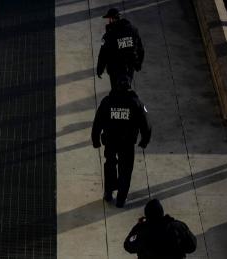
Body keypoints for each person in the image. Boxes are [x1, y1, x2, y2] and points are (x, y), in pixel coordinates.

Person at [91, 76, 151, 207]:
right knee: (125, 170)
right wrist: (144, 140)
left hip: (110, 142)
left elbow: (97, 122)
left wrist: (95, 140)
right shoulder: (136, 103)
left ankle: (108, 193)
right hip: (127, 144)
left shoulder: (107, 102)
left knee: (110, 166)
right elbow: (146, 123)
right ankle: (121, 199)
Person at [124, 199, 197, 259]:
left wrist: (138, 226)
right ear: (162, 212)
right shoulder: (177, 226)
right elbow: (192, 247)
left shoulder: (142, 231)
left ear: (147, 216)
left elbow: (128, 246)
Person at [97, 8, 144, 89]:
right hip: (130, 67)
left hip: (115, 68)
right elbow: (140, 48)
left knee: (116, 91)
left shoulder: (109, 35)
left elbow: (103, 54)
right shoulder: (133, 30)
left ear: (111, 19)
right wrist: (139, 63)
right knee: (126, 88)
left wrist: (100, 69)